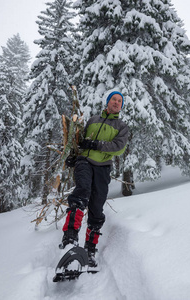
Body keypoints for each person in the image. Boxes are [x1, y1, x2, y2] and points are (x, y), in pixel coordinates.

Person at [60, 90, 129, 267]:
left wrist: (96, 144)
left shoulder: (121, 126)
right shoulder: (92, 120)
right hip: (84, 162)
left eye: (119, 101)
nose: (116, 102)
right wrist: (73, 156)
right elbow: (78, 140)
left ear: (121, 106)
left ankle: (90, 249)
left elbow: (118, 147)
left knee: (96, 207)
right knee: (82, 191)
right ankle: (70, 236)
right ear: (107, 102)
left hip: (103, 168)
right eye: (113, 99)